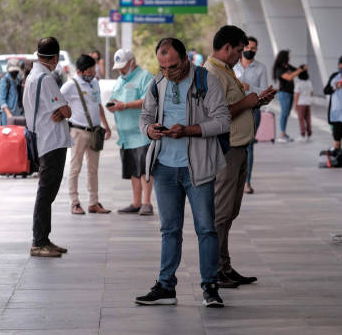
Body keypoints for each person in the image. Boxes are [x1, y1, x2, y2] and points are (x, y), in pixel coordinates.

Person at [136, 37, 230, 307]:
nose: (168, 72)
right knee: (169, 229)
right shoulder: (157, 83)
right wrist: (149, 130)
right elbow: (145, 117)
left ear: (186, 58)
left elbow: (222, 121)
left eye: (173, 66)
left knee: (206, 229)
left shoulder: (205, 80)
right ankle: (166, 286)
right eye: (163, 67)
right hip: (165, 168)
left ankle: (210, 286)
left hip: (197, 167)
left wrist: (188, 130)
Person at [205, 26, 276, 288]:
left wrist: (257, 101)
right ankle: (215, 270)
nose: (241, 55)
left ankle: (224, 264)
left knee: (230, 211)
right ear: (226, 48)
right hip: (226, 150)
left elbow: (235, 105)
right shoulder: (212, 73)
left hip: (239, 147)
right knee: (221, 213)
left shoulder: (226, 71)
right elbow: (216, 114)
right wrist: (247, 103)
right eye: (238, 50)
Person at [23, 37, 73, 258]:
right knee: (46, 192)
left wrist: (62, 109)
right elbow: (67, 111)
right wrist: (64, 109)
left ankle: (44, 238)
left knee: (46, 192)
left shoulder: (33, 77)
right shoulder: (46, 78)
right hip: (51, 141)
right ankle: (39, 242)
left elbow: (61, 110)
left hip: (42, 139)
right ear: (54, 58)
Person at [61, 54, 112, 215]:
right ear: (80, 71)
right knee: (75, 168)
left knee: (93, 169)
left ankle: (93, 202)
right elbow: (57, 104)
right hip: (78, 131)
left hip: (95, 131)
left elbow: (98, 105)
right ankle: (74, 203)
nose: (92, 73)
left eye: (93, 69)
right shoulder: (70, 85)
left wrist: (107, 126)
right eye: (89, 70)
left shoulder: (95, 83)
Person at [107, 49, 155, 215]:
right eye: (118, 67)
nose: (120, 69)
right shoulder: (120, 80)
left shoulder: (145, 77)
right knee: (133, 170)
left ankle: (147, 203)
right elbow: (115, 98)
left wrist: (126, 105)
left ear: (132, 62)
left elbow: (148, 101)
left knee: (144, 170)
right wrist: (113, 106)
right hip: (126, 136)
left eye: (123, 65)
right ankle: (136, 203)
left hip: (141, 133)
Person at [233, 36, 269, 194]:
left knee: (249, 146)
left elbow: (265, 91)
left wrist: (250, 87)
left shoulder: (261, 68)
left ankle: (246, 182)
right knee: (233, 145)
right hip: (234, 109)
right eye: (247, 47)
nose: (250, 50)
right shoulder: (232, 66)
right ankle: (233, 181)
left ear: (257, 49)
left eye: (253, 48)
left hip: (252, 110)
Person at [272, 50, 306, 142]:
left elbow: (297, 71)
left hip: (290, 92)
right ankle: (282, 134)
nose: (289, 57)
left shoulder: (288, 66)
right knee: (284, 113)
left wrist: (302, 69)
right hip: (284, 93)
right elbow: (289, 77)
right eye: (288, 56)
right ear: (284, 57)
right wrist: (299, 70)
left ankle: (284, 133)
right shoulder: (279, 69)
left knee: (287, 113)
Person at [0, 58, 23, 125]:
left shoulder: (18, 80)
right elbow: (2, 100)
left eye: (16, 70)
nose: (14, 72)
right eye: (13, 70)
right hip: (8, 116)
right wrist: (9, 115)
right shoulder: (5, 80)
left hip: (18, 114)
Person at [293, 68, 313, 141]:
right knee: (308, 119)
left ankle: (302, 135)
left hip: (301, 103)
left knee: (301, 119)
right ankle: (309, 135)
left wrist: (295, 105)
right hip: (308, 103)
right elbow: (311, 93)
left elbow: (297, 95)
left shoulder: (298, 83)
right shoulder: (309, 82)